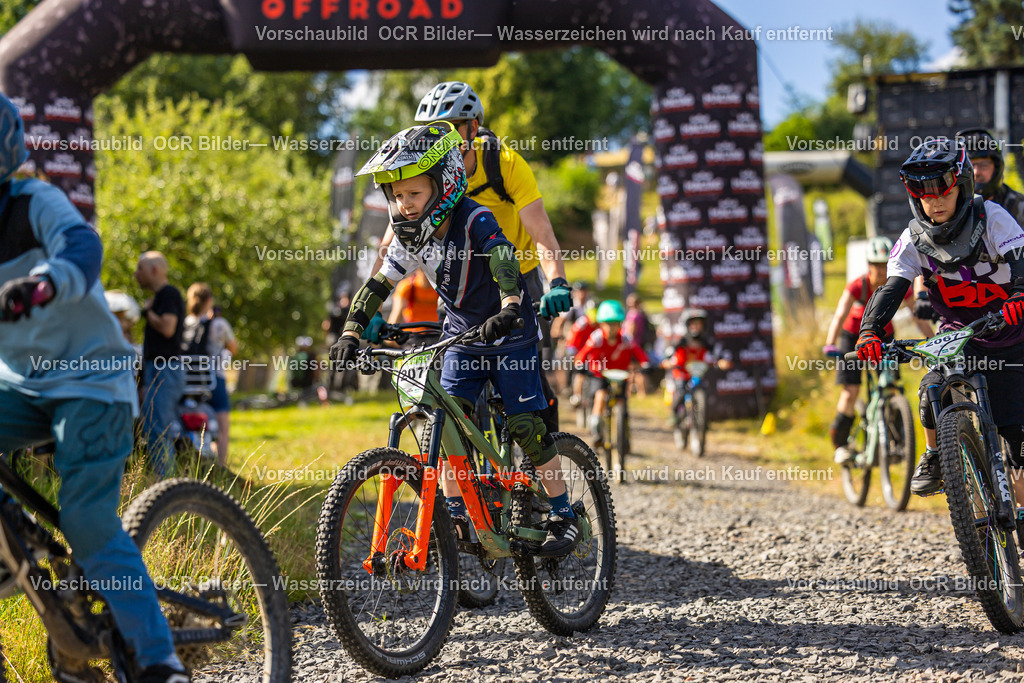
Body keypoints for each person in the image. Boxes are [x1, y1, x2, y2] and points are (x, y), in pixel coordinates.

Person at [0, 92, 188, 682]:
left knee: (84, 519)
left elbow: (83, 248)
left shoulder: (34, 201)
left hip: (92, 379)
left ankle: (160, 658)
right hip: (24, 385)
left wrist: (43, 284)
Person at [331, 122, 579, 557]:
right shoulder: (413, 234)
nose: (404, 205)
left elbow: (503, 254)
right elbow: (379, 284)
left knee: (525, 427)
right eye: (397, 195)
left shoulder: (473, 217)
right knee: (441, 427)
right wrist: (351, 331)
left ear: (444, 183)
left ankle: (562, 513)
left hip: (509, 329)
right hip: (462, 335)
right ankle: (456, 511)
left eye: (413, 194)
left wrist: (509, 304)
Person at [370, 82, 573, 432]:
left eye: (448, 128)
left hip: (516, 279)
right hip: (458, 287)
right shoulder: (422, 174)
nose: (438, 137)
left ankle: (544, 455)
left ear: (472, 128)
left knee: (529, 381)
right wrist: (372, 309)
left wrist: (556, 281)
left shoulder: (504, 163)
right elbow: (390, 245)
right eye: (429, 131)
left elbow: (541, 231)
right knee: (450, 380)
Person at [856, 137, 1024, 501]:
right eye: (924, 194)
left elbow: (1021, 264)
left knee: (1018, 443)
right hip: (959, 334)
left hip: (1010, 333)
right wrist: (869, 330)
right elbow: (891, 288)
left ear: (962, 187)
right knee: (931, 388)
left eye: (941, 193)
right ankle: (935, 455)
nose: (933, 202)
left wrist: (1019, 296)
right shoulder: (911, 239)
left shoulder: (994, 217)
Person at [823, 236, 931, 464]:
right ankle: (841, 445)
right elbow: (840, 314)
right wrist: (830, 342)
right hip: (852, 338)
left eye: (885, 265)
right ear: (868, 265)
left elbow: (918, 317)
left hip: (884, 338)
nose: (881, 270)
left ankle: (896, 442)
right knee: (850, 391)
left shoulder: (899, 287)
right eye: (876, 265)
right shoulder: (857, 286)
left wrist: (933, 340)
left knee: (892, 387)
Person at [135, 251, 185, 478]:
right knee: (153, 428)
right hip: (157, 370)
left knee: (158, 430)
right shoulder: (161, 297)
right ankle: (163, 482)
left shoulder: (168, 294)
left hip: (166, 370)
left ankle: (164, 486)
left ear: (154, 270)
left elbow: (167, 328)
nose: (136, 274)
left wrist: (148, 312)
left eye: (140, 269)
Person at [575, 300, 650, 446]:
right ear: (601, 324)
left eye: (615, 324)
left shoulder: (626, 339)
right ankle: (596, 425)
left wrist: (645, 363)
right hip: (600, 374)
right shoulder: (596, 338)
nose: (612, 328)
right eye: (608, 324)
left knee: (622, 401)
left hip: (620, 375)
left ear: (620, 324)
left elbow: (639, 353)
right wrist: (580, 364)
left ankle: (624, 435)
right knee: (601, 395)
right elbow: (583, 354)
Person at [183, 283, 237, 466]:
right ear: (209, 301)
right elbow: (233, 347)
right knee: (223, 429)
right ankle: (221, 466)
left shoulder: (185, 324)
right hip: (214, 381)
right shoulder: (219, 324)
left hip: (187, 384)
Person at [661, 309, 731, 435]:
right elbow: (670, 352)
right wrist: (667, 361)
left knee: (704, 391)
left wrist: (722, 361)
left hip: (697, 375)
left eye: (699, 324)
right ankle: (674, 414)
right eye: (693, 324)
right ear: (687, 326)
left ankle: (702, 419)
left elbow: (718, 352)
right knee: (680, 392)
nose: (696, 327)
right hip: (682, 374)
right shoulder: (682, 341)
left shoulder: (705, 342)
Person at [956, 128, 1024, 227]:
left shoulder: (1018, 206)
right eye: (969, 166)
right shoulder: (950, 208)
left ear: (997, 167)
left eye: (983, 165)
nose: (976, 172)